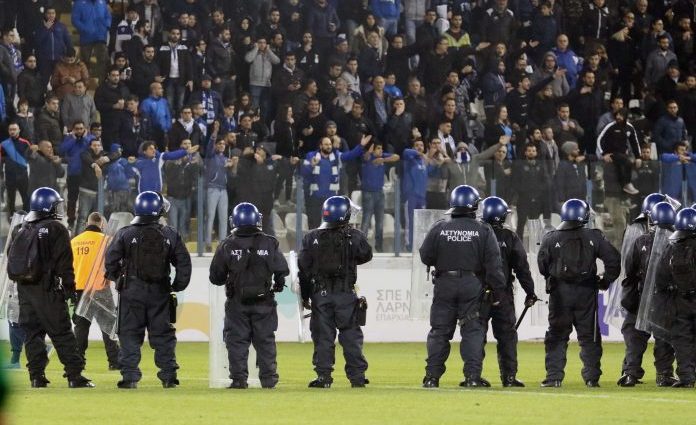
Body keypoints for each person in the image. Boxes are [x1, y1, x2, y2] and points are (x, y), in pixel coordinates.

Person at [419, 185, 507, 388]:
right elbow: (494, 265)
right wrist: (498, 291)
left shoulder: (439, 227)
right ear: (474, 205)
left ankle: (432, 377)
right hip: (471, 284)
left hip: (444, 283)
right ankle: (472, 377)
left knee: (439, 331)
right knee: (472, 330)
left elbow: (425, 256)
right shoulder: (484, 230)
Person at [7, 187, 93, 388]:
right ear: (48, 206)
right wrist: (70, 289)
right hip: (48, 289)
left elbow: (13, 259)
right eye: (55, 205)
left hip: (25, 290)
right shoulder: (56, 228)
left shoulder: (21, 228)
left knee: (32, 335)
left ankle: (36, 377)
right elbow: (65, 264)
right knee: (62, 333)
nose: (58, 208)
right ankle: (74, 376)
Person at [105, 191, 192, 389]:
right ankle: (169, 377)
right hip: (160, 291)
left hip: (131, 291)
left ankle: (130, 378)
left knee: (129, 334)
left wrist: (120, 278)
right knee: (163, 335)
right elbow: (183, 263)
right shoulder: (170, 234)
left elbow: (110, 261)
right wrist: (177, 285)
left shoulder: (125, 233)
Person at [538, 199, 621, 387]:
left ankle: (554, 378)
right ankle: (592, 379)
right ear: (584, 216)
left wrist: (553, 277)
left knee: (557, 335)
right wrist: (605, 281)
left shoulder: (550, 238)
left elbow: (542, 265)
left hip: (560, 294)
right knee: (589, 337)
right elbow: (614, 260)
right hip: (587, 293)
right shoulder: (594, 236)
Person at [209, 203, 289, 389]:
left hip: (237, 303)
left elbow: (216, 277)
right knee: (265, 341)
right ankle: (269, 380)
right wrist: (277, 284)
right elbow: (282, 269)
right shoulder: (270, 243)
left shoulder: (227, 244)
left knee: (236, 341)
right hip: (264, 302)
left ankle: (239, 380)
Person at [298, 196, 373, 388]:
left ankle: (323, 377)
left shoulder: (310, 238)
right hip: (345, 294)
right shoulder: (354, 236)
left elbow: (303, 271)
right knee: (351, 336)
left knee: (323, 337)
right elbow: (366, 255)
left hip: (320, 296)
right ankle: (357, 377)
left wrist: (305, 297)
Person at [479, 196, 539, 387]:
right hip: (502, 294)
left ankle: (472, 375)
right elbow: (522, 268)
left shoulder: (475, 234)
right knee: (507, 337)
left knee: (476, 335)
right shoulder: (509, 237)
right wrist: (530, 291)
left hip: (478, 294)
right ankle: (509, 377)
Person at [618, 201, 677, 387]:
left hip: (641, 296)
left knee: (635, 337)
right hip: (666, 299)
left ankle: (630, 373)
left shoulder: (641, 241)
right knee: (664, 337)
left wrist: (630, 298)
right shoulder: (676, 242)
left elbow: (630, 271)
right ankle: (664, 375)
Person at [70, 212, 120, 370]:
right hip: (100, 288)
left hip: (80, 289)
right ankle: (114, 361)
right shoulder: (107, 241)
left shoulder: (74, 242)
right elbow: (114, 264)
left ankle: (78, 362)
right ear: (102, 224)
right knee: (108, 326)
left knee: (81, 328)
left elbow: (68, 268)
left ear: (87, 223)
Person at [654, 208, 696, 387]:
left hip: (679, 302)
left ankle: (687, 378)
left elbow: (660, 279)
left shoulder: (672, 248)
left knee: (683, 340)